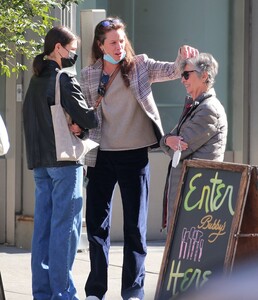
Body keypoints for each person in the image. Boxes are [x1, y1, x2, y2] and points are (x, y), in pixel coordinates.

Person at [80, 17, 198, 300]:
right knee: (97, 227)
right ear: (100, 45)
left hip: (134, 156)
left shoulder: (139, 66)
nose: (119, 46)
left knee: (135, 226)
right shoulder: (88, 75)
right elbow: (83, 113)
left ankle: (133, 291)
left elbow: (171, 70)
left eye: (122, 41)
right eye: (112, 42)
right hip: (101, 156)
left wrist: (182, 58)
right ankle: (95, 290)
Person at [23, 26, 98, 300]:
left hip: (40, 163)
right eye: (72, 50)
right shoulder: (63, 79)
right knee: (66, 229)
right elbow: (89, 119)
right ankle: (63, 294)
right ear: (58, 48)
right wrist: (84, 124)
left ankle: (42, 293)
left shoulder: (35, 79)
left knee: (43, 229)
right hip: (65, 162)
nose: (74, 55)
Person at [160, 52, 228, 231]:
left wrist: (167, 141)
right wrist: (167, 139)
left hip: (197, 196)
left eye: (186, 74)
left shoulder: (208, 110)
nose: (182, 79)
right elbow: (168, 141)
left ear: (204, 76)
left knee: (190, 249)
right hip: (190, 193)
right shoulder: (197, 106)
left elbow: (177, 150)